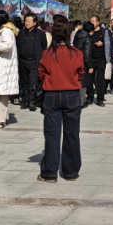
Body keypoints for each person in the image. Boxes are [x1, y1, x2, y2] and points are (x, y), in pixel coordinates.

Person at [38, 20, 87, 182]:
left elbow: (41, 72)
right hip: (71, 94)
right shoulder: (76, 53)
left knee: (52, 134)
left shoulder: (47, 53)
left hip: (51, 95)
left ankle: (50, 172)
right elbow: (80, 72)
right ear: (68, 34)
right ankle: (71, 171)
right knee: (71, 134)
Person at [17, 14, 48, 110]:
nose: (26, 23)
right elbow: (17, 45)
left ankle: (32, 101)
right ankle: (25, 101)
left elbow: (44, 47)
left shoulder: (40, 34)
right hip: (22, 61)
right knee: (24, 82)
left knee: (32, 82)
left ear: (34, 23)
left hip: (34, 61)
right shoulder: (21, 33)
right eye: (25, 21)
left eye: (29, 22)